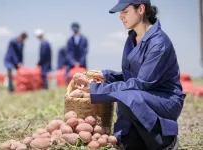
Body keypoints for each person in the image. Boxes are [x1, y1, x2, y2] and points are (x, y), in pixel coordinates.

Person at [74, 0, 185, 149]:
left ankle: (164, 141)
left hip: (165, 100)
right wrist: (106, 76)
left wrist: (96, 89)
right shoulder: (132, 38)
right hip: (143, 96)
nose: (121, 16)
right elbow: (130, 77)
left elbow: (141, 83)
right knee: (126, 96)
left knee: (127, 95)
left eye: (125, 11)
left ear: (141, 9)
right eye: (120, 13)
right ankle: (133, 138)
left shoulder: (158, 43)